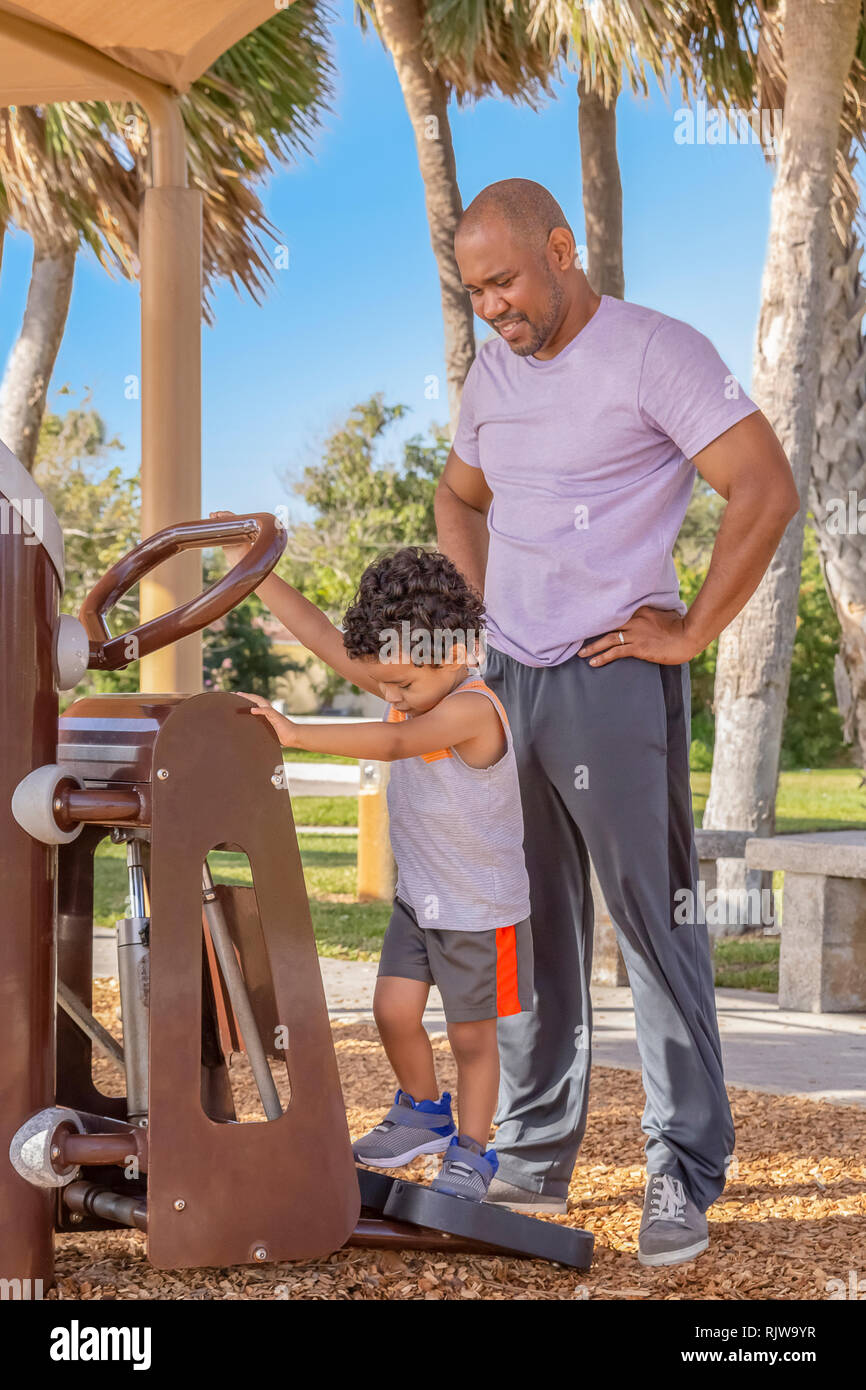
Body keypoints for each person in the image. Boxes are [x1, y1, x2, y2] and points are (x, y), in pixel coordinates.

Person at [435, 178, 800, 1264]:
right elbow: (457, 495)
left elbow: (762, 486)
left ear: (561, 248)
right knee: (527, 922)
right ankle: (533, 1156)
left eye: (503, 280)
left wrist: (688, 630)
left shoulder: (656, 351)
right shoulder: (490, 374)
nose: (492, 307)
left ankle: (679, 1171)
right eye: (474, 291)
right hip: (513, 680)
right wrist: (477, 624)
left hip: (611, 676)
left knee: (652, 924)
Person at [210, 524, 533, 1203]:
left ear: (454, 653)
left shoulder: (472, 709)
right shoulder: (413, 676)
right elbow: (320, 638)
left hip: (482, 912)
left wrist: (297, 734)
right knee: (392, 1010)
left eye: (403, 685)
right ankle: (421, 1112)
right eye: (383, 683)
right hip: (422, 902)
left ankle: (474, 1155)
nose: (391, 699)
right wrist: (254, 572)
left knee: (474, 1042)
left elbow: (399, 744)